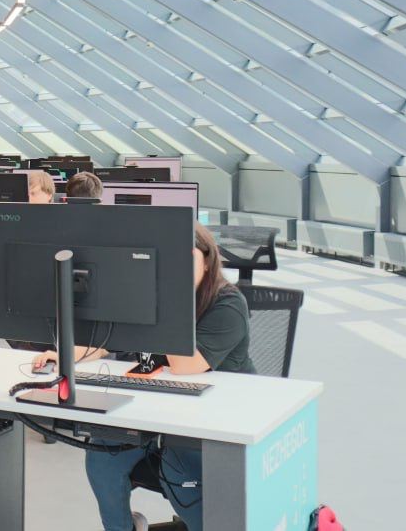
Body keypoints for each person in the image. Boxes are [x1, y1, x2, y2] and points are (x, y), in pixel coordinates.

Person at [34, 224, 253, 531]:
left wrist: (170, 298)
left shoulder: (228, 304)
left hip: (214, 424)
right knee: (103, 455)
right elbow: (107, 341)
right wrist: (65, 356)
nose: (176, 267)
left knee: (177, 470)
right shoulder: (150, 297)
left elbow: (184, 364)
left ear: (207, 260)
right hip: (159, 411)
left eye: (186, 257)